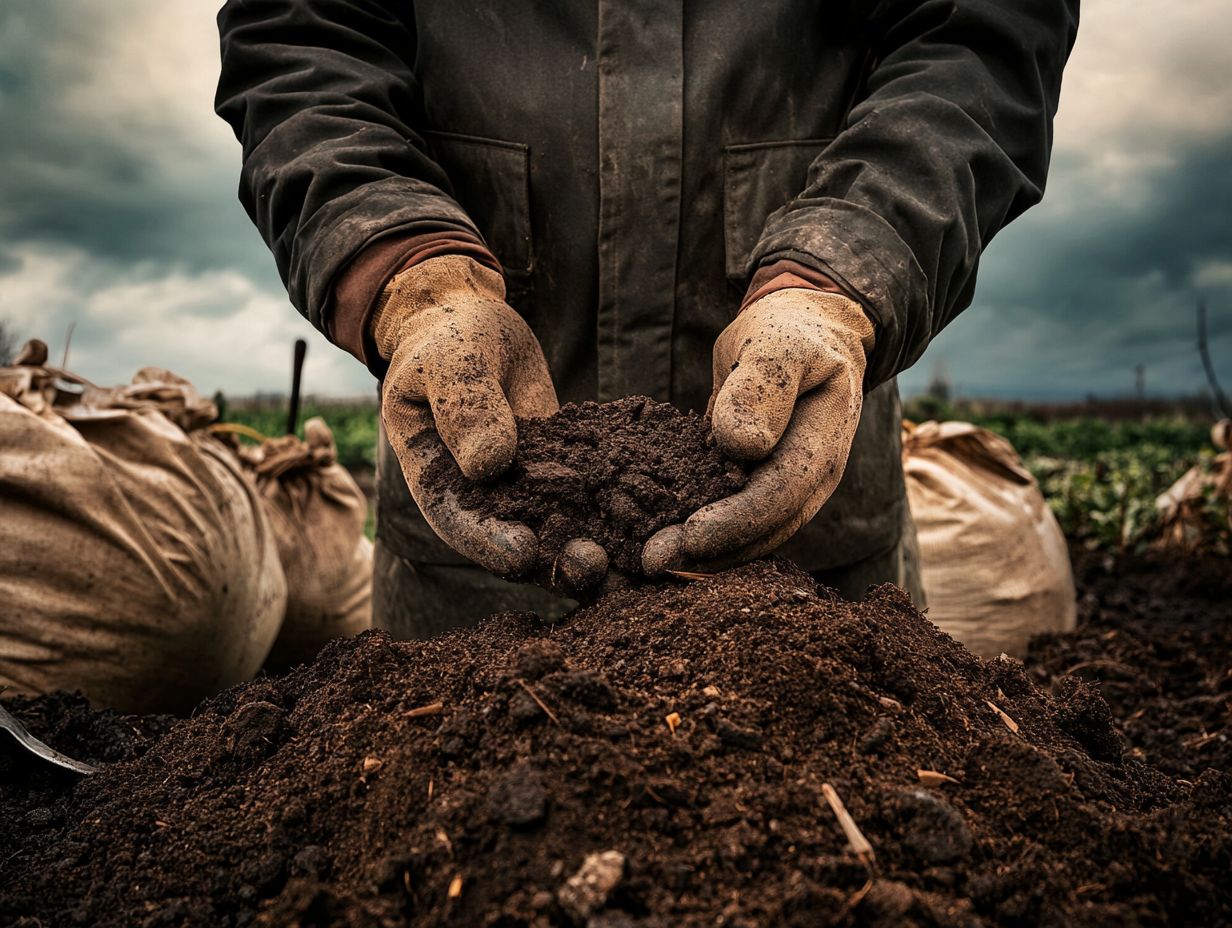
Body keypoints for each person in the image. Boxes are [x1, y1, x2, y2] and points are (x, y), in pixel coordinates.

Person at [216, 0, 1079, 637]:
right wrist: (407, 271)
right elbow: (301, 42)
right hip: (478, 578)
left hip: (802, 575)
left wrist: (841, 269)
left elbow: (980, 36)